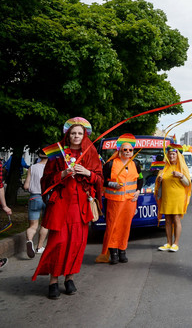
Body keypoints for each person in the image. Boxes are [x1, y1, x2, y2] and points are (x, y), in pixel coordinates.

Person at [33, 117, 103, 299]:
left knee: (76, 244)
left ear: (85, 134)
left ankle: (69, 278)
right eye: (73, 133)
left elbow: (99, 179)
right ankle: (53, 281)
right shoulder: (57, 154)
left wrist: (88, 173)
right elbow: (46, 180)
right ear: (68, 134)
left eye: (80, 133)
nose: (76, 136)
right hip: (61, 206)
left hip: (80, 207)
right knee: (58, 242)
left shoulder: (91, 152)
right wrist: (62, 174)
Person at [96, 134, 143, 264]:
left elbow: (140, 179)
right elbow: (101, 181)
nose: (128, 152)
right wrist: (112, 184)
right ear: (119, 151)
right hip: (114, 201)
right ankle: (113, 252)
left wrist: (138, 191)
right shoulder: (110, 164)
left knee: (125, 226)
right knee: (113, 226)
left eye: (130, 150)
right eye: (125, 150)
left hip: (130, 201)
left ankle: (122, 250)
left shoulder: (136, 164)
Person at [155, 144, 191, 252]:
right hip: (167, 197)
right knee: (167, 220)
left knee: (176, 219)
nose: (171, 156)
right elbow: (158, 184)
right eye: (169, 154)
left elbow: (188, 183)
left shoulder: (182, 167)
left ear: (177, 156)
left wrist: (180, 176)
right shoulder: (164, 168)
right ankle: (168, 242)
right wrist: (159, 180)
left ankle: (176, 243)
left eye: (173, 154)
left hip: (178, 197)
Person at [24, 150, 49, 258]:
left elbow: (26, 186)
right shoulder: (51, 169)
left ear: (38, 155)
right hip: (47, 198)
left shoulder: (32, 167)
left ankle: (29, 241)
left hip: (34, 197)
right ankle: (39, 247)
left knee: (33, 226)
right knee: (45, 224)